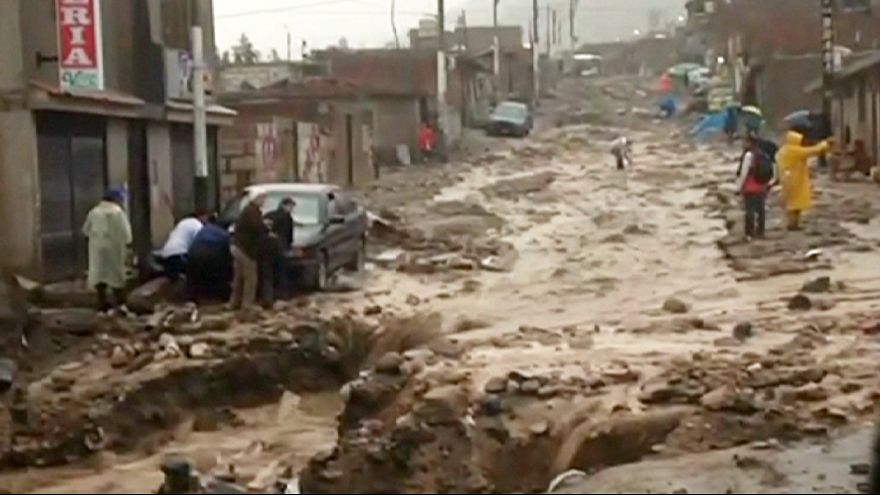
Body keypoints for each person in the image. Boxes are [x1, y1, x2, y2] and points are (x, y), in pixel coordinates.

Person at [82, 188, 132, 313]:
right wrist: (127, 244)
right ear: (116, 199)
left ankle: (102, 303)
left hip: (97, 250)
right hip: (115, 249)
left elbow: (85, 230)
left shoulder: (94, 212)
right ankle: (121, 304)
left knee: (99, 276)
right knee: (117, 276)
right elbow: (127, 234)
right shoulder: (118, 212)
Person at [777, 131, 829, 231]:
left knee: (793, 202)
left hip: (788, 178)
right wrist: (824, 144)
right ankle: (792, 224)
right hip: (794, 179)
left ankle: (793, 223)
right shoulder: (793, 150)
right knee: (794, 204)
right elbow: (813, 151)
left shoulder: (785, 149)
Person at [229, 193, 268, 310]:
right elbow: (257, 227)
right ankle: (247, 305)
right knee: (250, 279)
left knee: (239, 279)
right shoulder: (252, 211)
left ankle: (234, 303)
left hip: (237, 247)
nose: (264, 201)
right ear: (256, 199)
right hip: (246, 250)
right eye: (263, 198)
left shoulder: (247, 210)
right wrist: (266, 227)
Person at [736, 134, 776, 239]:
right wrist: (769, 184)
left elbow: (744, 173)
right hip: (762, 187)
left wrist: (739, 188)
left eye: (745, 142)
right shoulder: (764, 155)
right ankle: (761, 231)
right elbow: (772, 170)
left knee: (750, 211)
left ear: (750, 143)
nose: (743, 144)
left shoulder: (749, 155)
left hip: (750, 187)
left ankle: (749, 233)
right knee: (761, 210)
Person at [186, 216, 232, 302]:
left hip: (194, 255)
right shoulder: (225, 235)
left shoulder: (204, 229)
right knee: (222, 271)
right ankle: (223, 295)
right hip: (212, 257)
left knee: (193, 276)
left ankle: (191, 295)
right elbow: (227, 254)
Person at [158, 211, 209, 281]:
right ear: (200, 217)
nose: (207, 221)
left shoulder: (182, 222)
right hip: (179, 255)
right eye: (206, 218)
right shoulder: (197, 224)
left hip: (166, 256)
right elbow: (200, 243)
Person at [263, 198, 296, 300]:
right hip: (280, 248)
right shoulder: (287, 218)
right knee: (281, 272)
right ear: (284, 205)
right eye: (291, 207)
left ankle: (267, 296)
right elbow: (289, 235)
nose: (292, 209)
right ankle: (282, 295)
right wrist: (288, 246)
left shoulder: (269, 215)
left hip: (266, 247)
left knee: (267, 273)